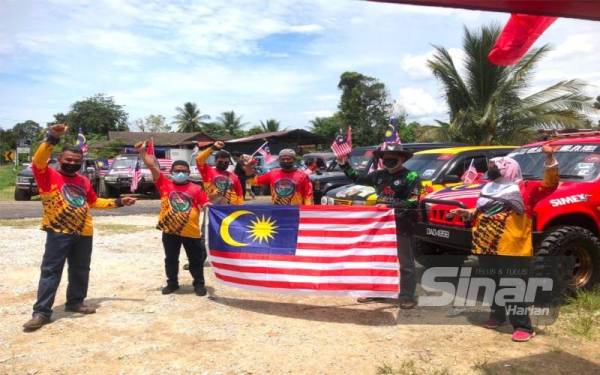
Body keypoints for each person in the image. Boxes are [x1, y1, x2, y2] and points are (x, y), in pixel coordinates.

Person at [23, 124, 137, 332]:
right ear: (60, 160)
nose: (72, 163)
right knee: (51, 271)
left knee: (80, 269)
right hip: (59, 231)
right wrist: (52, 138)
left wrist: (120, 201)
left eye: (77, 161)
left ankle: (75, 301)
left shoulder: (83, 181)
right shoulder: (46, 175)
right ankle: (41, 312)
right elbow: (38, 160)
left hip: (84, 232)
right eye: (68, 160)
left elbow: (94, 202)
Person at [450, 144, 559, 342]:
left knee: (514, 285)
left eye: (495, 165)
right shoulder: (488, 187)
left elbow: (550, 185)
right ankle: (497, 316)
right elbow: (485, 210)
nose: (490, 168)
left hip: (512, 247)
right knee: (492, 283)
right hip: (486, 244)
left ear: (508, 168)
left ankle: (523, 326)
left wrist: (550, 158)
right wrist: (468, 213)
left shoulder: (525, 189)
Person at [336, 143, 421, 309]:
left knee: (405, 263)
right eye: (385, 159)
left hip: (402, 225)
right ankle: (377, 291)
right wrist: (343, 164)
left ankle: (406, 296)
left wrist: (389, 208)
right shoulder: (378, 175)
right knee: (377, 258)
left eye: (393, 159)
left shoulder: (411, 176)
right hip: (380, 226)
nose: (388, 161)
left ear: (402, 159)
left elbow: (413, 201)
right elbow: (357, 178)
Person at [136, 141, 210, 296]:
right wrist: (143, 153)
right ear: (171, 171)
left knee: (196, 260)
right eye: (177, 171)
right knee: (171, 259)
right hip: (170, 230)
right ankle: (172, 283)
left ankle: (199, 284)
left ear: (189, 172)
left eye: (184, 171)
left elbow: (205, 205)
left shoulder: (197, 188)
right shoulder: (164, 183)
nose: (180, 173)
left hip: (192, 231)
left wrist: (213, 206)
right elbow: (152, 166)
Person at [244, 148, 313, 205]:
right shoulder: (272, 173)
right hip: (276, 213)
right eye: (282, 159)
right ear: (279, 160)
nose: (285, 161)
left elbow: (308, 196)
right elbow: (253, 181)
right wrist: (248, 166)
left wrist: (308, 211)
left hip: (296, 213)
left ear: (294, 159)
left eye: (288, 159)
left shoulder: (303, 176)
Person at [196, 141, 244, 205]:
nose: (223, 164)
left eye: (226, 162)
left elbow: (239, 194)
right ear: (215, 161)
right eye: (221, 161)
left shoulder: (234, 176)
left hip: (231, 209)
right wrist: (213, 147)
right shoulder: (207, 171)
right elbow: (199, 159)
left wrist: (240, 208)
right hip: (214, 209)